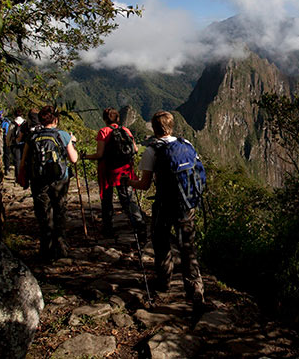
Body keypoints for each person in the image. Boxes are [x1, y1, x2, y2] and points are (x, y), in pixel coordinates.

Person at [125, 110, 205, 310]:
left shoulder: (153, 150)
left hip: (164, 205)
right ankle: (195, 290)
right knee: (188, 246)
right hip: (186, 205)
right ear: (172, 126)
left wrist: (129, 182)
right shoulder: (186, 144)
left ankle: (164, 282)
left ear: (153, 128)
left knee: (161, 242)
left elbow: (144, 185)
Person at [18, 105, 78, 261]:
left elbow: (24, 160)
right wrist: (71, 141)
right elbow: (74, 159)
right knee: (60, 211)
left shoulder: (32, 136)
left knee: (44, 215)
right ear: (56, 120)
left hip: (38, 180)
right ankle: (62, 248)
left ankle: (46, 251)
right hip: (60, 180)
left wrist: (22, 175)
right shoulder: (62, 135)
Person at [82, 107, 146, 240]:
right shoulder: (126, 130)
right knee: (128, 200)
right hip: (125, 171)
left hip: (108, 171)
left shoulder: (103, 132)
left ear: (105, 119)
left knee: (106, 200)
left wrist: (86, 156)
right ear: (118, 119)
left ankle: (108, 229)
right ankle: (140, 226)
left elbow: (99, 154)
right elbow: (134, 149)